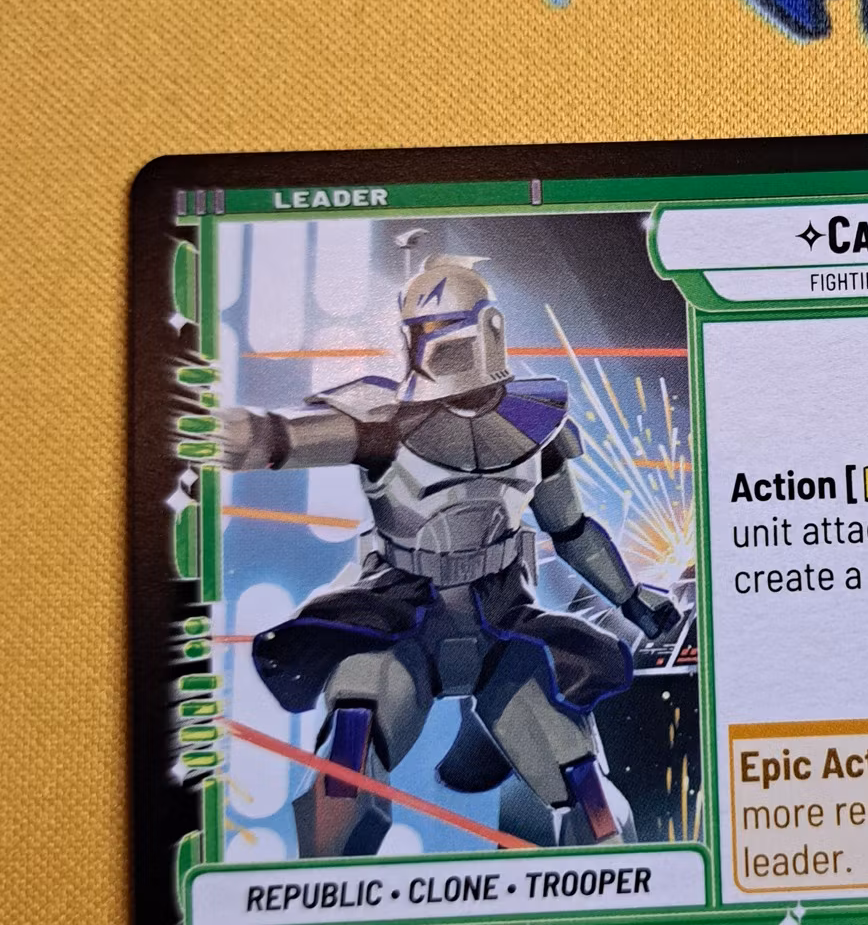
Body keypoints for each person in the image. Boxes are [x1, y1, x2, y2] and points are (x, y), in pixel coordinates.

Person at [218, 241, 680, 856]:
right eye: (427, 334)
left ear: (490, 330)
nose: (441, 349)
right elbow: (283, 438)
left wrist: (633, 599)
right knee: (345, 769)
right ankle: (327, 902)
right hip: (400, 619)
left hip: (503, 622)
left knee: (587, 793)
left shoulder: (535, 424)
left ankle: (612, 903)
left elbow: (571, 530)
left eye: (451, 332)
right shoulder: (381, 420)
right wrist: (237, 435)